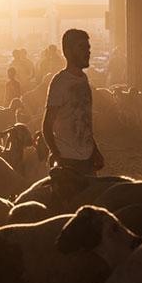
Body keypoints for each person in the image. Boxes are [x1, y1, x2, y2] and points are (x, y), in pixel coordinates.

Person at [43, 29, 104, 176]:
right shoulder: (60, 83)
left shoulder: (83, 80)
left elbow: (83, 121)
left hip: (87, 160)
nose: (87, 52)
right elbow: (47, 125)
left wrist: (95, 151)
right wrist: (57, 155)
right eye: (81, 47)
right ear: (68, 52)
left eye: (88, 48)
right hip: (68, 161)